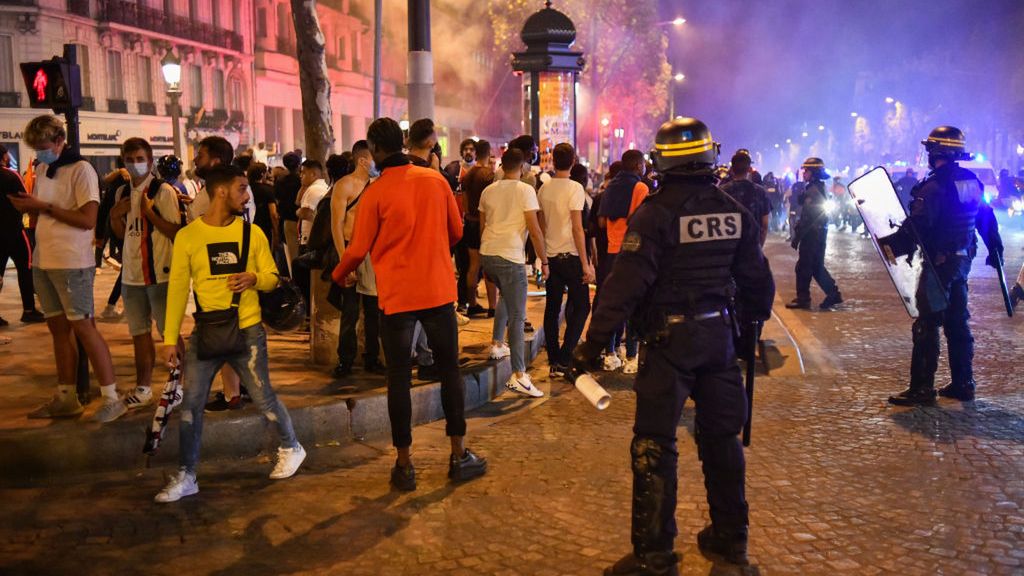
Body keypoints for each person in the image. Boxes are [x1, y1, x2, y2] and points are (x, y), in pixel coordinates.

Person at [573, 118, 775, 574]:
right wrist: (749, 330)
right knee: (723, 440)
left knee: (654, 444)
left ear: (661, 161)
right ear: (710, 158)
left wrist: (592, 344)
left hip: (668, 344)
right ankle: (730, 540)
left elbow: (624, 286)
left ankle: (655, 555)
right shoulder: (732, 212)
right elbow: (758, 284)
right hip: (720, 340)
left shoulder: (655, 214)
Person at [332, 117, 486, 492]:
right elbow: (456, 231)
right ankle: (459, 453)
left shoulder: (376, 193)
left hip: (397, 297)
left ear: (376, 150)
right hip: (436, 291)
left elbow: (357, 249)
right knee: (449, 371)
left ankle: (405, 465)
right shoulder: (436, 181)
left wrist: (338, 276)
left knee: (398, 378)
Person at [156, 166, 306, 502]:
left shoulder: (251, 234)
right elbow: (178, 288)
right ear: (221, 191)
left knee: (264, 396)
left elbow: (272, 276)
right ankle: (187, 474)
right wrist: (169, 338)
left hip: (248, 329)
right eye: (241, 188)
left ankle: (292, 446)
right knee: (191, 405)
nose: (248, 195)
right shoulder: (188, 237)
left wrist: (254, 278)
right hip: (206, 331)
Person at [885, 126, 1003, 406]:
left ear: (937, 151)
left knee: (927, 323)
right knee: (957, 323)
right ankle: (964, 383)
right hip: (962, 261)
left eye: (929, 150)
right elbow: (985, 217)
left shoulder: (934, 186)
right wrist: (994, 247)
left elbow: (919, 226)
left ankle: (922, 388)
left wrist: (891, 246)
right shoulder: (971, 181)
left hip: (939, 264)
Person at [11, 115, 118, 419]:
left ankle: (111, 396)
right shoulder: (45, 168)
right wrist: (31, 207)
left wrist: (41, 207)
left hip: (72, 262)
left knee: (84, 327)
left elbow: (88, 221)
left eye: (44, 147)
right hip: (45, 260)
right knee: (58, 329)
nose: (40, 153)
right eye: (36, 149)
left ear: (59, 141)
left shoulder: (81, 170)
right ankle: (66, 395)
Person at [101, 137, 185, 422]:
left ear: (150, 161)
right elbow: (123, 235)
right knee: (138, 333)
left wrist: (150, 213)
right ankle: (143, 387)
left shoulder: (163, 191)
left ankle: (178, 385)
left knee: (169, 333)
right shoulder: (121, 191)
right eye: (129, 158)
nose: (134, 163)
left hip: (159, 272)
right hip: (132, 275)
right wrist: (115, 216)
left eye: (139, 158)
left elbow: (176, 232)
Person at [479, 148, 548, 397]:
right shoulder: (525, 190)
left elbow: (483, 226)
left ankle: (498, 344)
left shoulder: (488, 190)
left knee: (506, 299)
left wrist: (484, 259)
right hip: (510, 256)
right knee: (518, 317)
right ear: (522, 167)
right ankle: (519, 374)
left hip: (489, 253)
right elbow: (535, 229)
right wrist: (544, 260)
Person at [538, 143, 595, 377]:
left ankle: (554, 359)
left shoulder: (544, 189)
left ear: (553, 160)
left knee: (552, 308)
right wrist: (586, 263)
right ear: (573, 161)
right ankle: (564, 356)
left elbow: (541, 226)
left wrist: (542, 259)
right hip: (570, 256)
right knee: (582, 306)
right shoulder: (575, 188)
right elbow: (577, 228)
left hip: (551, 256)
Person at [330, 140, 382, 377]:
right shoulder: (345, 185)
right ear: (363, 160)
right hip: (352, 249)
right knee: (350, 310)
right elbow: (336, 225)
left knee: (373, 310)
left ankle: (372, 357)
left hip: (373, 251)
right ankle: (345, 360)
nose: (377, 163)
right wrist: (345, 261)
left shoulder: (378, 184)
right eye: (373, 158)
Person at [597, 150, 649, 372]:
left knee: (613, 304)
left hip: (611, 251)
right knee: (634, 306)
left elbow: (601, 222)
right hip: (632, 252)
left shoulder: (611, 187)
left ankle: (610, 353)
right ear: (638, 165)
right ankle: (632, 357)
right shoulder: (641, 188)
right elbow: (642, 221)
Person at [786, 157, 843, 310]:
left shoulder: (813, 190)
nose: (804, 173)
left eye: (807, 171)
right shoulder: (816, 187)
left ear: (814, 173)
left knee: (804, 267)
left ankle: (803, 298)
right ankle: (833, 293)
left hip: (812, 234)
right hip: (817, 233)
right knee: (816, 267)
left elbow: (809, 216)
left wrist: (798, 235)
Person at [0, 145, 44, 326]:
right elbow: (24, 199)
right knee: (25, 268)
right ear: (3, 156)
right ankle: (29, 310)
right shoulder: (10, 175)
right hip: (13, 230)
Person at [721, 152, 771, 247]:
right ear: (749, 169)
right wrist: (759, 247)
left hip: (730, 248)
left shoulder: (721, 191)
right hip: (753, 246)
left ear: (731, 170)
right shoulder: (761, 192)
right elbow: (764, 225)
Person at [274, 151, 303, 274]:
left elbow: (278, 200)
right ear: (299, 164)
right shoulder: (301, 181)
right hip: (302, 220)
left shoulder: (280, 181)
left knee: (292, 253)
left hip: (288, 220)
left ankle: (295, 280)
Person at [296, 159, 329, 252]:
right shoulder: (317, 187)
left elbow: (305, 213)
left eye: (303, 173)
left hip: (309, 238)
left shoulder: (314, 189)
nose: (300, 176)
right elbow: (298, 202)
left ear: (313, 174)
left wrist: (298, 211)